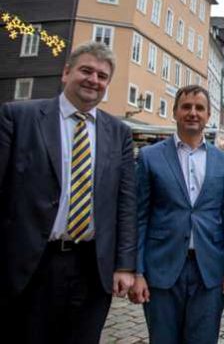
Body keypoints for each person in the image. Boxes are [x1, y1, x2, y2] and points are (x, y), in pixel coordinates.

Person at [0, 41, 136, 343]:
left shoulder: (119, 133)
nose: (93, 80)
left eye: (102, 76)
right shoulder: (18, 118)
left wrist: (125, 264)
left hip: (91, 267)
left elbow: (125, 203)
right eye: (86, 70)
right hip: (31, 264)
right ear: (66, 72)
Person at [129, 85, 224, 343]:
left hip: (209, 271)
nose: (193, 113)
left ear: (208, 115)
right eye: (186, 107)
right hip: (161, 269)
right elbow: (139, 217)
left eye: (199, 108)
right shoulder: (149, 157)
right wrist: (137, 271)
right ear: (175, 112)